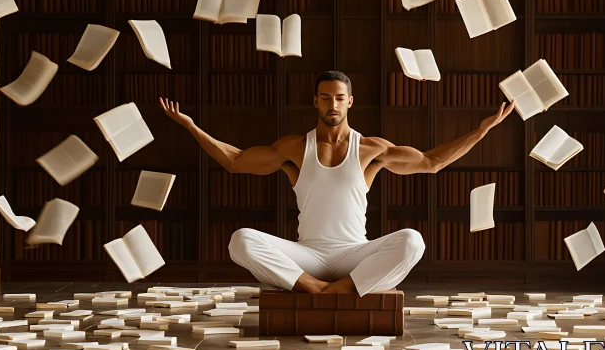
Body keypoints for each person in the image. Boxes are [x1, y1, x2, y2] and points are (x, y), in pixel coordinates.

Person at [160, 70, 515, 296]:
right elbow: (236, 162)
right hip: (308, 256)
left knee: (412, 240)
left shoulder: (371, 149)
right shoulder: (295, 148)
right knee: (241, 241)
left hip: (354, 255)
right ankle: (314, 287)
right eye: (326, 97)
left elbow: (432, 162)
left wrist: (482, 129)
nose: (333, 104)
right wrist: (191, 127)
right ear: (315, 101)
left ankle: (340, 290)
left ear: (350, 102)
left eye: (339, 97)